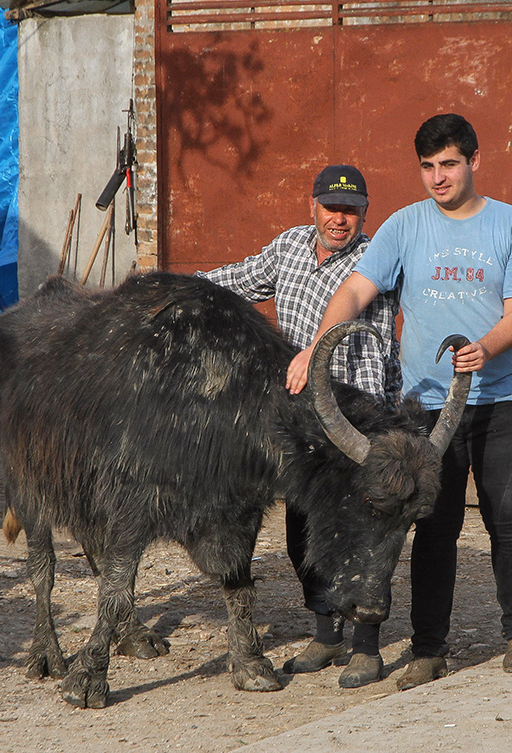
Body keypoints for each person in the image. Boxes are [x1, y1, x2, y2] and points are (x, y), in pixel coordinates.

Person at [286, 114, 512, 690]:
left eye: (449, 164)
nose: (438, 177)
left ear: (475, 162)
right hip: (426, 410)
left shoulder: (511, 226)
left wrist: (485, 347)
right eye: (427, 166)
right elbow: (356, 289)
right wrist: (318, 348)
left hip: (501, 400)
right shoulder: (405, 226)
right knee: (435, 527)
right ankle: (429, 648)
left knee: (509, 519)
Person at [198, 164, 400, 688]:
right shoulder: (288, 247)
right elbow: (232, 281)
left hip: (357, 413)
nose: (341, 219)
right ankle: (325, 633)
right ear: (311, 206)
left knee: (359, 534)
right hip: (301, 415)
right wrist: (166, 290)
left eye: (351, 210)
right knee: (301, 534)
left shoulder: (376, 256)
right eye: (332, 208)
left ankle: (367, 647)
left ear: (365, 212)